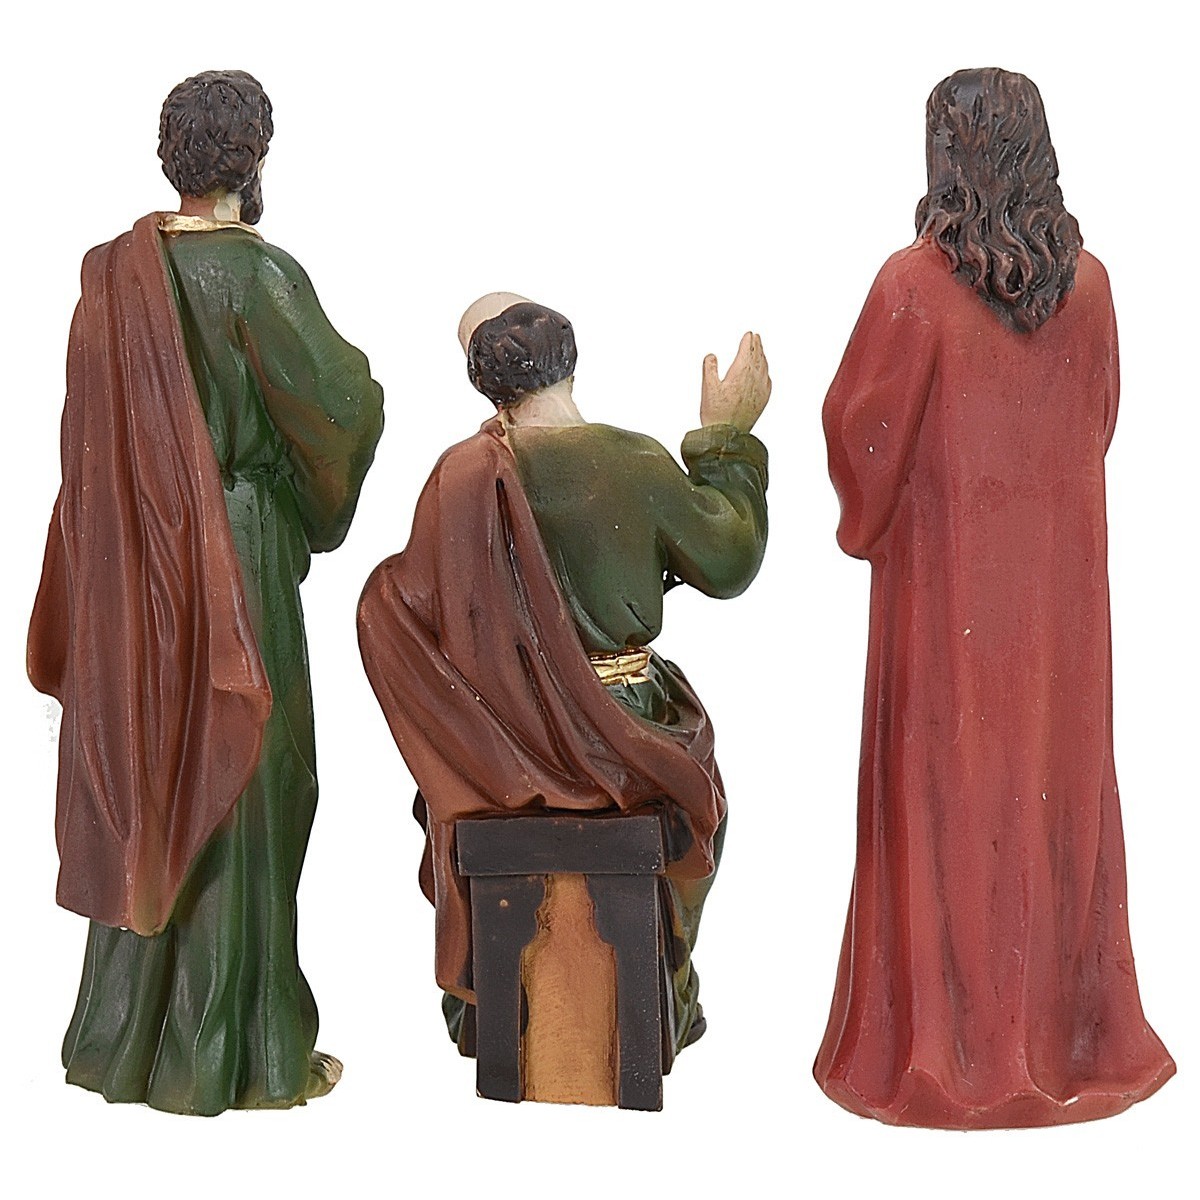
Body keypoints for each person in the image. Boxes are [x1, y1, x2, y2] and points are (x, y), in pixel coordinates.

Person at [815, 68, 1175, 1128]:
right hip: (1059, 601)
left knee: (950, 784)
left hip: (949, 598)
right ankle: (1064, 1032)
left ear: (946, 160)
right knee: (1052, 782)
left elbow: (861, 434)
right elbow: (1099, 420)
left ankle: (950, 1048)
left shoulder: (912, 288)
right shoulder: (1090, 287)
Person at [27, 70, 384, 1115]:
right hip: (235, 551)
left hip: (131, 567)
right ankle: (241, 1051)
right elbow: (340, 408)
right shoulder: (257, 276)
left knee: (152, 767)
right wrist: (299, 486)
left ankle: (119, 1042)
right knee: (249, 776)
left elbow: (82, 449)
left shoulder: (110, 281)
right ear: (254, 159)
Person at [358, 294, 769, 1055]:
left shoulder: (459, 477)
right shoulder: (635, 459)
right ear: (570, 357)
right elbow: (729, 559)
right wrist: (727, 439)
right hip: (630, 733)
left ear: (484, 381)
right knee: (701, 804)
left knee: (440, 804)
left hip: (506, 748)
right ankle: (664, 987)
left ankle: (500, 1006)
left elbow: (401, 603)